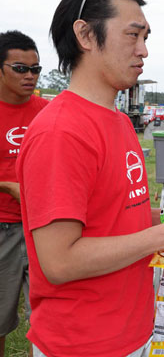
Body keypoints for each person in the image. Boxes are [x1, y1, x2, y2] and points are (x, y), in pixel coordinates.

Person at [16, 0, 164, 357]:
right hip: (82, 343)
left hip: (130, 331)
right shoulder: (60, 131)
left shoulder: (118, 121)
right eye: (133, 35)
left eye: (146, 37)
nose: (144, 50)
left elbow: (107, 215)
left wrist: (161, 218)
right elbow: (59, 260)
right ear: (86, 36)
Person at [0, 30, 48, 357]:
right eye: (20, 68)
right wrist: (6, 185)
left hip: (43, 228)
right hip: (2, 226)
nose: (29, 76)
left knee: (46, 319)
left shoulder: (48, 112)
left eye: (35, 69)